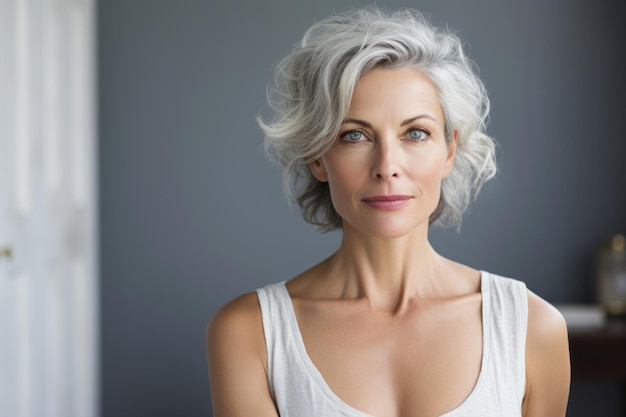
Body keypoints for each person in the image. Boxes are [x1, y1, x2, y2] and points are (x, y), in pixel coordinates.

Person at [206, 8, 570, 417]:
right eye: (354, 135)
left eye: (416, 133)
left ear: (449, 150)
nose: (387, 165)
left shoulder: (531, 329)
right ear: (317, 157)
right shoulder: (250, 333)